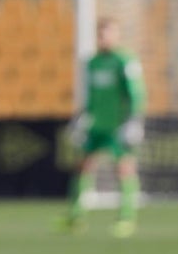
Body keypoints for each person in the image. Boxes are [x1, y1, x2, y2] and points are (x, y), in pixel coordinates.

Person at [61, 17, 146, 239]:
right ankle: (76, 217)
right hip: (97, 125)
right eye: (100, 34)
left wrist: (134, 120)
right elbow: (90, 96)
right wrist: (81, 118)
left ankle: (127, 219)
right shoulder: (92, 63)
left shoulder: (124, 61)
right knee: (84, 167)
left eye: (107, 33)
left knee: (124, 168)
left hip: (118, 125)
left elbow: (135, 93)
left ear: (117, 35)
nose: (103, 38)